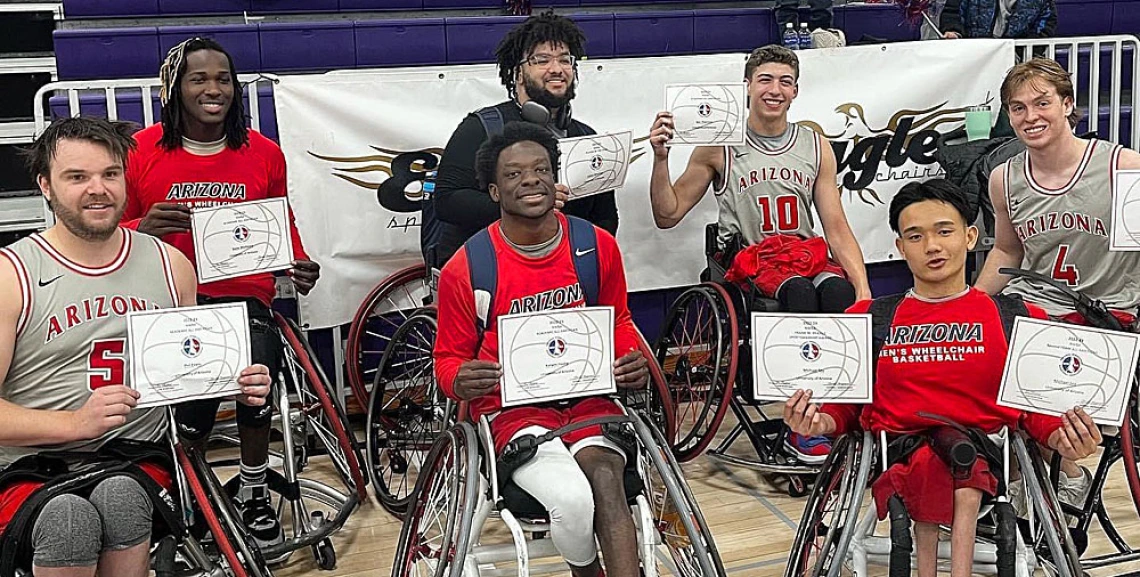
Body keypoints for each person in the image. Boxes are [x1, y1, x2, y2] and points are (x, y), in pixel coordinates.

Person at [784, 179, 1100, 577]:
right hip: (897, 450)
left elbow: (1035, 407)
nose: (932, 246)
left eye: (944, 231)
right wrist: (818, 420)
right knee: (933, 464)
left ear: (969, 237)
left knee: (964, 465)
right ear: (900, 248)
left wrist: (1063, 435)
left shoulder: (1015, 317)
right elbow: (845, 407)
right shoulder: (868, 319)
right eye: (915, 236)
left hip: (987, 451)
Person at [0, 116, 271, 577]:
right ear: (45, 185)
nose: (98, 189)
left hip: (137, 456)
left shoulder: (170, 265)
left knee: (121, 497)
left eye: (110, 173)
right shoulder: (12, 275)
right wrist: (75, 424)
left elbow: (186, 373)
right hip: (31, 464)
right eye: (77, 177)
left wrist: (234, 383)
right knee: (69, 519)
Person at [119, 37, 318, 554]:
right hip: (171, 300)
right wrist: (142, 226)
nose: (214, 89)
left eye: (223, 79)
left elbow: (281, 220)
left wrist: (297, 261)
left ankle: (253, 489)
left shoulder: (263, 152)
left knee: (256, 375)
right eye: (199, 78)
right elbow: (108, 232)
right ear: (175, 88)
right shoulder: (140, 151)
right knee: (197, 403)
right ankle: (193, 492)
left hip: (244, 300)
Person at [433, 122, 648, 577]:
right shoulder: (468, 266)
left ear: (556, 179)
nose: (530, 179)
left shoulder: (596, 246)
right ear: (493, 191)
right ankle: (587, 571)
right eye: (513, 174)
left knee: (607, 481)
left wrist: (631, 360)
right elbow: (448, 362)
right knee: (571, 498)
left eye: (541, 169)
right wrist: (459, 378)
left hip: (587, 398)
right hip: (514, 410)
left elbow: (620, 322)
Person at [648, 44, 870, 463]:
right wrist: (661, 159)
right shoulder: (719, 145)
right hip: (751, 262)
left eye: (785, 82)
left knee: (839, 296)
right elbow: (668, 213)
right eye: (765, 80)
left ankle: (830, 415)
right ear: (747, 86)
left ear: (796, 91)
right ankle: (798, 424)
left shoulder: (815, 144)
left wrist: (862, 287)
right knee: (800, 295)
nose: (775, 89)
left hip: (803, 253)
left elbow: (836, 225)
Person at [974, 57, 1140, 510]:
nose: (1031, 117)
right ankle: (1010, 481)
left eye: (1042, 103)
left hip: (1106, 311)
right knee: (976, 355)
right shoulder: (1003, 179)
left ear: (1068, 104)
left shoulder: (1123, 166)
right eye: (1018, 108)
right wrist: (967, 304)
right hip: (1033, 306)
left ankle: (1056, 475)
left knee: (1037, 374)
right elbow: (1007, 252)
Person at [427, 11, 618, 269]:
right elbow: (447, 201)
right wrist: (530, 205)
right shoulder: (482, 127)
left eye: (565, 59)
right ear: (518, 73)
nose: (556, 69)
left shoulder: (586, 137)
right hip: (488, 273)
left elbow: (605, 220)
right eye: (542, 60)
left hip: (561, 277)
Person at [939, 0, 1057, 38]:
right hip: (972, 57)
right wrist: (954, 31)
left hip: (1017, 62)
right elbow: (952, 12)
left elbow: (1045, 25)